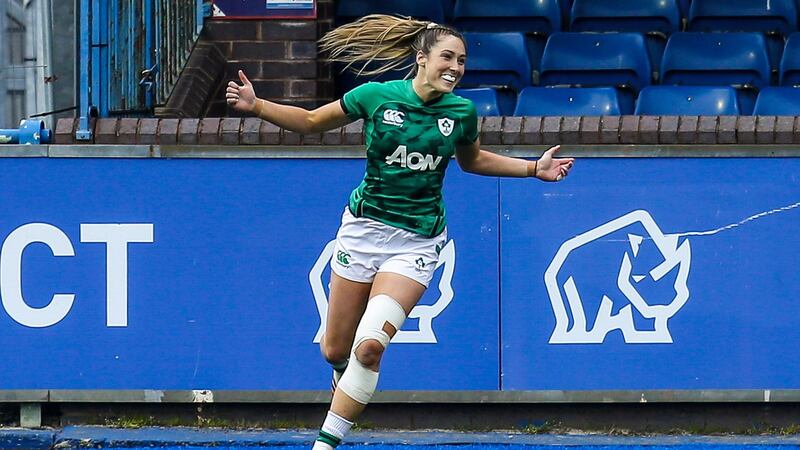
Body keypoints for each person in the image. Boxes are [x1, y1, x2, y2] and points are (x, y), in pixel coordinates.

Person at [226, 14, 574, 450]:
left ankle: (324, 445)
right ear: (421, 58)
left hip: (417, 243)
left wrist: (531, 169)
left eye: (462, 61)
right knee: (336, 351)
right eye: (447, 57)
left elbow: (473, 161)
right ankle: (345, 380)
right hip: (361, 234)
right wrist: (257, 106)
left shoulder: (461, 112)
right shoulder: (375, 97)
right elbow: (312, 122)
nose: (456, 67)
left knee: (369, 347)